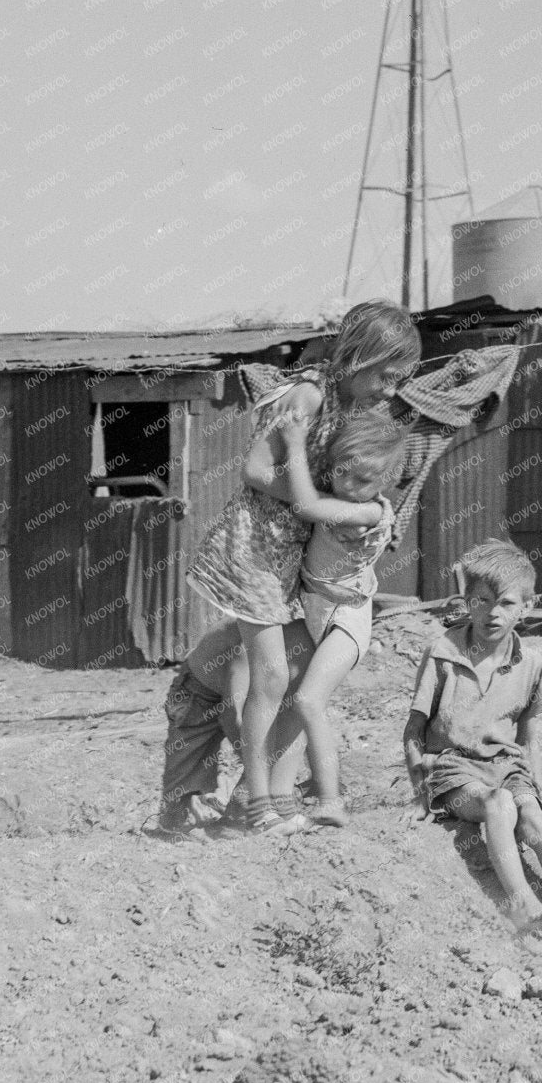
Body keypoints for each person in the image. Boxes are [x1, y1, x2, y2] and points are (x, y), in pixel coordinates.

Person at [186, 299, 421, 833]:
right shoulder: (309, 395)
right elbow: (253, 468)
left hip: (288, 553)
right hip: (256, 548)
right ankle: (257, 808)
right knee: (270, 677)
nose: (390, 390)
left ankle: (265, 799)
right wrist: (313, 498)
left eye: (398, 379)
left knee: (291, 678)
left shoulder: (354, 408)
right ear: (359, 355)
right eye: (385, 376)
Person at [403, 539, 542, 950]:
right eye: (481, 601)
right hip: (452, 768)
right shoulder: (443, 653)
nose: (492, 613)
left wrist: (541, 797)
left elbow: (530, 741)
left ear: (526, 608)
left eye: (506, 603)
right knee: (499, 804)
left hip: (506, 766)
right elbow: (412, 731)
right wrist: (419, 794)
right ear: (466, 601)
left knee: (533, 817)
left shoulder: (533, 666)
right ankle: (521, 904)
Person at [274, 405, 407, 827]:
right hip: (318, 608)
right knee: (292, 706)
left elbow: (306, 506)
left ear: (386, 483)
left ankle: (331, 801)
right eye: (342, 472)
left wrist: (294, 441)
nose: (349, 486)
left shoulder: (368, 513)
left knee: (309, 701)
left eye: (363, 480)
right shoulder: (348, 496)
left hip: (347, 618)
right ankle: (284, 793)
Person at [159, 621, 314, 832]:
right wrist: (258, 769)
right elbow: (231, 714)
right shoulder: (260, 634)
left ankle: (241, 812)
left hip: (237, 695)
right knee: (179, 809)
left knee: (278, 733)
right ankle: (251, 806)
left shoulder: (299, 636)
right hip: (195, 698)